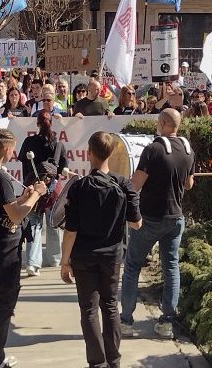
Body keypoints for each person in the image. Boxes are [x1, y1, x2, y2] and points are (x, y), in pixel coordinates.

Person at [60, 132, 142, 368]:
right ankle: (114, 360)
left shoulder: (79, 187)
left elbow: (71, 230)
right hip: (111, 256)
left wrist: (65, 261)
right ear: (111, 153)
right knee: (109, 305)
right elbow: (136, 223)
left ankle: (96, 362)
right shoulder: (123, 184)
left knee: (88, 309)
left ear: (89, 154)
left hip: (84, 256)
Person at [0, 128, 48, 368]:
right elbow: (15, 216)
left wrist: (23, 197)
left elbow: (2, 206)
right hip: (4, 244)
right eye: (12, 149)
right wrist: (35, 195)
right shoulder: (0, 176)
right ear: (7, 148)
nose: (13, 153)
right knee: (3, 302)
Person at [120, 109, 195, 340]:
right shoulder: (188, 149)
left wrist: (119, 190)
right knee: (171, 268)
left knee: (132, 266)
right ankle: (166, 323)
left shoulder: (152, 149)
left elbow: (136, 185)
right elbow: (189, 184)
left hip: (150, 218)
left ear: (162, 123)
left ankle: (126, 322)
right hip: (175, 218)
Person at [18, 110, 70, 276]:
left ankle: (33, 263)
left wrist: (29, 183)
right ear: (51, 123)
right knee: (53, 223)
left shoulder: (28, 141)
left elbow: (24, 166)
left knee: (34, 224)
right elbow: (63, 169)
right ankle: (54, 258)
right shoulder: (59, 145)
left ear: (38, 124)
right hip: (53, 190)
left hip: (33, 187)